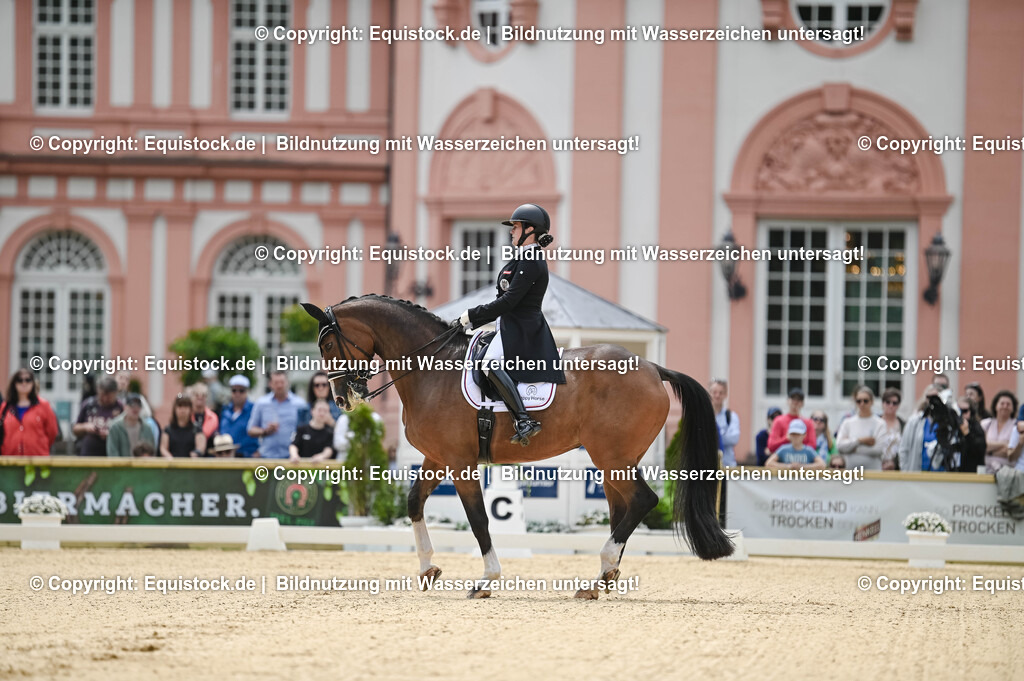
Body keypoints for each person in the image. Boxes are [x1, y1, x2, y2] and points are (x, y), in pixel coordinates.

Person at [454, 204, 566, 446]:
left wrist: (471, 315)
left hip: (522, 331)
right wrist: (473, 322)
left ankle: (524, 420)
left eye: (515, 227)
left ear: (530, 229)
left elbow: (509, 301)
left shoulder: (532, 260)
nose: (511, 231)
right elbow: (502, 301)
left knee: (488, 363)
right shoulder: (522, 259)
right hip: (508, 327)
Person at [247, 370, 308, 459]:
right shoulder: (261, 403)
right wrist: (265, 431)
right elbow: (250, 430)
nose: (279, 386)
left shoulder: (300, 404)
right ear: (270, 384)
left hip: (292, 458)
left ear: (288, 383)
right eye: (276, 383)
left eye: (282, 382)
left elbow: (306, 431)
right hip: (266, 456)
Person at [0, 368, 59, 456]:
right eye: (20, 380)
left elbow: (52, 432)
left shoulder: (43, 405)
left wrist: (40, 446)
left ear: (33, 383)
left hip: (37, 458)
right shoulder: (6, 407)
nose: (24, 383)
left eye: (28, 380)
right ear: (14, 384)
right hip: (10, 458)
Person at [836, 386, 886, 470]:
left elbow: (878, 449)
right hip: (851, 473)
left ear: (872, 402)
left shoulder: (880, 423)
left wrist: (853, 449)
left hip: (873, 474)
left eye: (865, 401)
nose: (862, 404)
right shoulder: (847, 422)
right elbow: (840, 445)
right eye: (858, 401)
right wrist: (860, 441)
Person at [72, 376, 123, 456]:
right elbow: (75, 428)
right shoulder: (89, 404)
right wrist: (85, 427)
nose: (105, 399)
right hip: (89, 453)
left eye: (109, 397)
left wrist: (111, 434)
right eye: (102, 395)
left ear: (116, 393)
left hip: (111, 454)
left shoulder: (120, 407)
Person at [219, 375, 259, 457]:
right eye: (234, 390)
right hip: (226, 457)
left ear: (247, 391)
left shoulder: (254, 409)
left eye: (241, 390)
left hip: (248, 457)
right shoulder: (225, 410)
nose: (237, 394)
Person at [767, 388, 816, 453]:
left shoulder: (808, 423)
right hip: (782, 460)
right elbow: (771, 446)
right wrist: (786, 439)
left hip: (803, 460)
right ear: (788, 401)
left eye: (799, 400)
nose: (795, 402)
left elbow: (812, 446)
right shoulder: (778, 421)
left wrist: (798, 442)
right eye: (793, 399)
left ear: (802, 403)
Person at [981, 390, 1019, 472]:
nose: (1005, 406)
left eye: (1008, 404)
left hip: (1008, 472)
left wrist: (990, 451)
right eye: (1002, 403)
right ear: (996, 406)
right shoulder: (986, 424)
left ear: (1013, 408)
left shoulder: (1017, 426)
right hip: (986, 471)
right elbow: (982, 446)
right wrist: (1004, 444)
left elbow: (1012, 451)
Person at [161, 394, 205, 458]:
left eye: (186, 407)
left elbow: (201, 447)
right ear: (175, 409)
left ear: (190, 409)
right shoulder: (168, 430)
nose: (183, 410)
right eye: (180, 406)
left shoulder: (197, 429)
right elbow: (163, 448)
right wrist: (169, 457)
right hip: (172, 465)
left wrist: (196, 453)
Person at [708, 379, 740, 466]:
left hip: (727, 467)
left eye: (721, 393)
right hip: (707, 467)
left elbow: (734, 438)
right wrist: (723, 435)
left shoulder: (731, 416)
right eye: (714, 392)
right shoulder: (703, 417)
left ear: (725, 395)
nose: (717, 395)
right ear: (709, 394)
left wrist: (714, 436)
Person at [955, 396, 987, 473]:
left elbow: (979, 450)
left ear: (971, 412)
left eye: (964, 411)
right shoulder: (952, 428)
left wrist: (967, 433)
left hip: (972, 473)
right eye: (958, 411)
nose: (961, 414)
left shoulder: (976, 427)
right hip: (954, 472)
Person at [187, 383, 220, 448]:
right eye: (197, 395)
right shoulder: (186, 415)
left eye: (203, 395)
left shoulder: (213, 417)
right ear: (191, 396)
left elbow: (205, 434)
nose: (200, 397)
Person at [879, 388, 904, 470]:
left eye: (894, 403)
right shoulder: (875, 422)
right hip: (877, 466)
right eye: (888, 402)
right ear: (882, 403)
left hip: (896, 468)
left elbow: (905, 448)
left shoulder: (903, 425)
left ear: (898, 405)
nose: (891, 405)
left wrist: (894, 463)